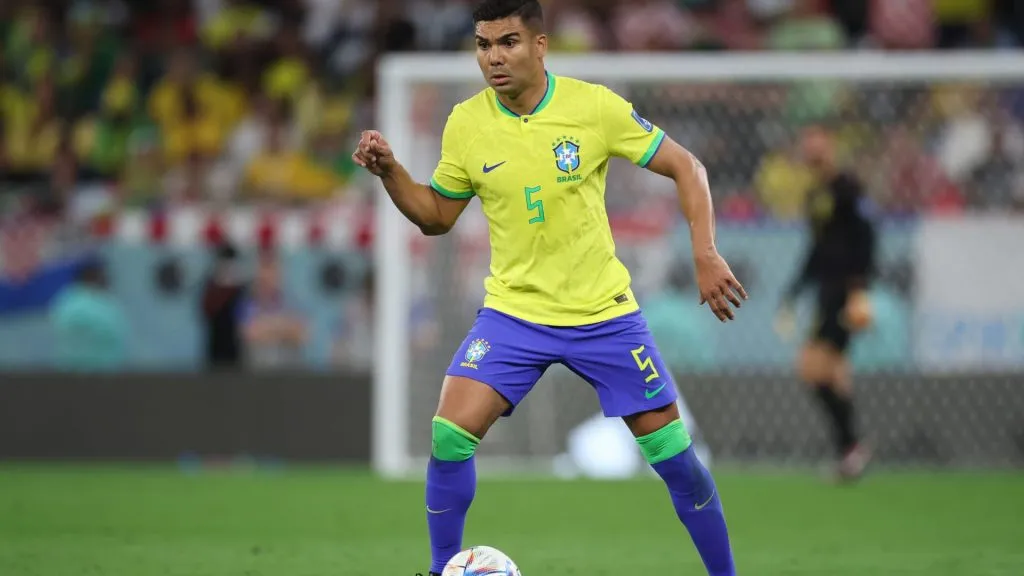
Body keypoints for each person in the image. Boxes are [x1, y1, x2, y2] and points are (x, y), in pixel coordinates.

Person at [352, 2, 747, 574]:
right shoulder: (466, 122)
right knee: (449, 433)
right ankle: (442, 570)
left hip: (603, 313)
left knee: (674, 459)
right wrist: (392, 171)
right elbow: (437, 216)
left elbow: (689, 167)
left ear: (540, 45)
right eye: (484, 44)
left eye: (508, 42)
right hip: (514, 314)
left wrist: (706, 252)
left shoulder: (593, 107)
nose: (494, 57)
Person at [774, 125, 877, 482]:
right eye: (807, 143)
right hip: (825, 292)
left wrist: (859, 290)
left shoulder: (848, 188)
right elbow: (817, 248)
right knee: (834, 373)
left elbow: (867, 238)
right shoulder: (816, 193)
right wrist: (795, 289)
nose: (812, 149)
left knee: (812, 369)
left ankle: (851, 447)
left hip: (843, 294)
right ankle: (850, 452)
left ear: (831, 145)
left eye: (819, 141)